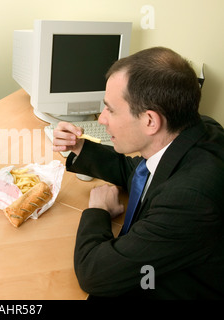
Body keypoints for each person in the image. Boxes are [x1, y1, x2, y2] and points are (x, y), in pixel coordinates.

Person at [53, 47, 224, 299]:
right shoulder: (199, 129)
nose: (102, 119)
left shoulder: (189, 201)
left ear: (150, 121)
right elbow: (143, 172)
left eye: (110, 109)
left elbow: (93, 274)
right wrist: (79, 148)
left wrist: (98, 212)